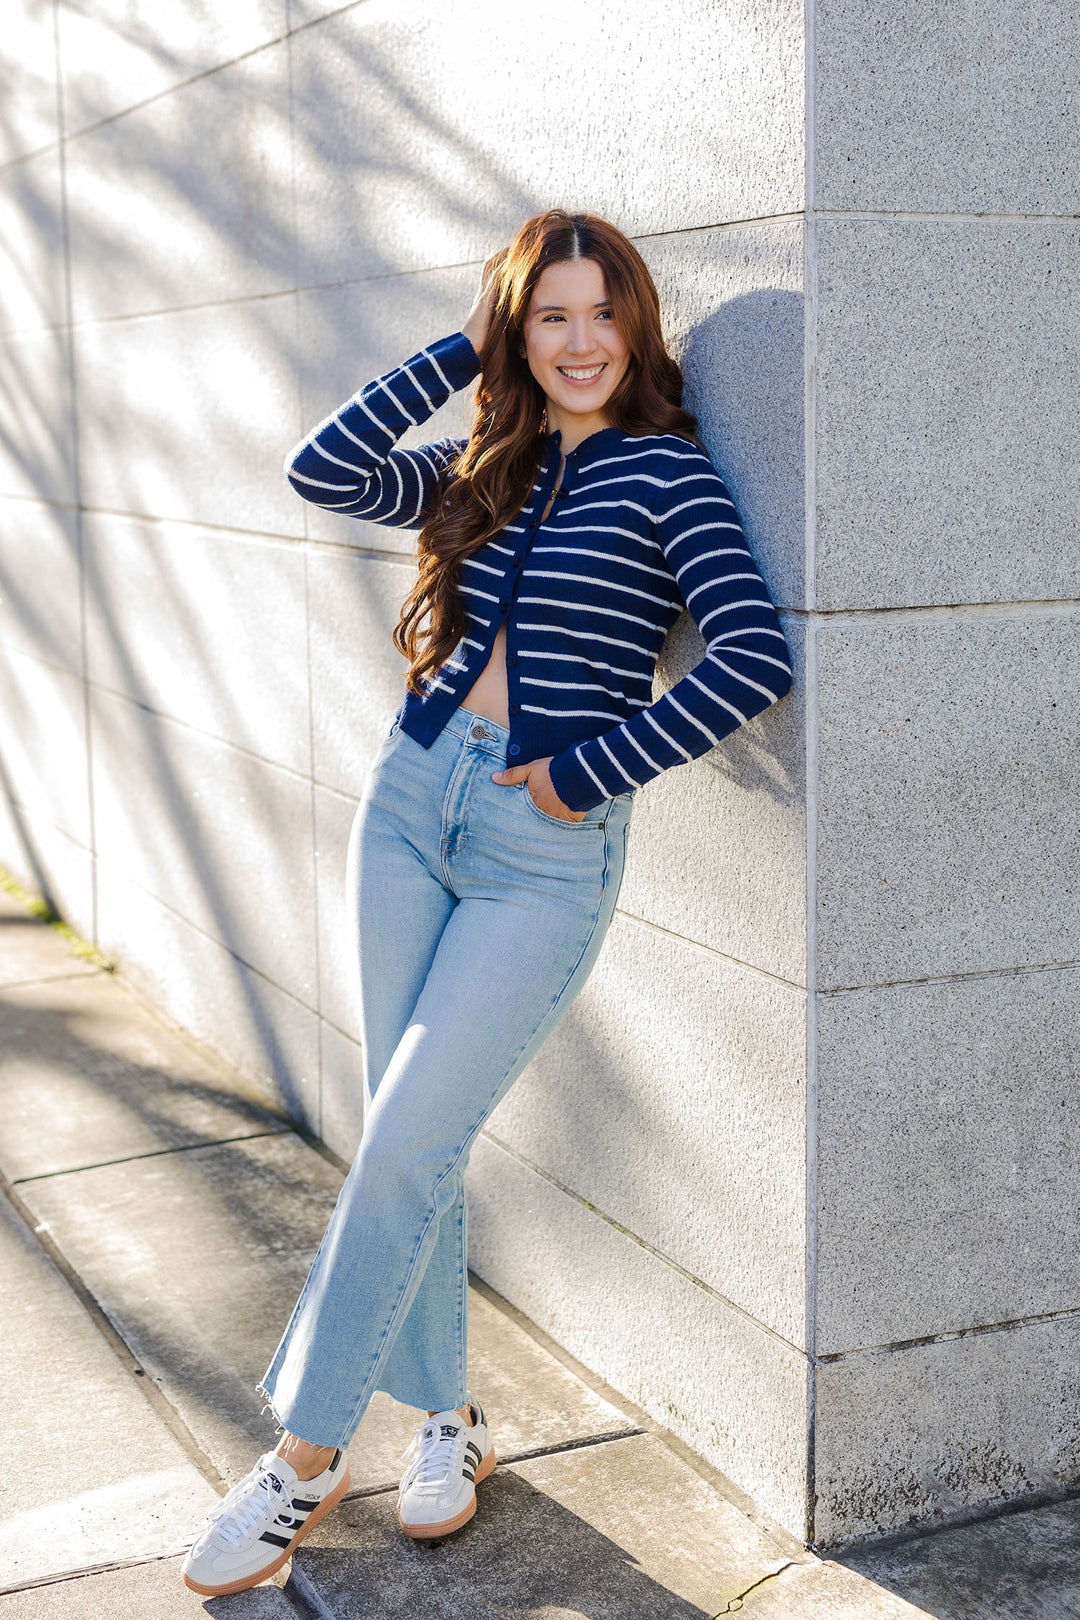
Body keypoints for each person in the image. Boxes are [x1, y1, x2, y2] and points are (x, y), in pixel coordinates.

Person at [181, 208, 793, 1597]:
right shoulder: (490, 458)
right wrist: (457, 347)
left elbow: (752, 651)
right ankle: (450, 1427)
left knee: (404, 1141)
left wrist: (586, 774)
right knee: (412, 1138)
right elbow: (322, 466)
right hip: (406, 810)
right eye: (548, 317)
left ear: (636, 326)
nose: (580, 343)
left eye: (602, 314)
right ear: (518, 333)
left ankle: (300, 1458)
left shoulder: (667, 477)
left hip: (539, 847)